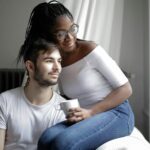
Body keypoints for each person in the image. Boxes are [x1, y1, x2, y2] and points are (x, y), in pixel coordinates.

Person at [21, 1, 135, 149]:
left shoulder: (91, 50)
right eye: (60, 33)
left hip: (117, 112)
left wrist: (91, 112)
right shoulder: (56, 59)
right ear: (47, 36)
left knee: (62, 143)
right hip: (85, 115)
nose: (70, 37)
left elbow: (126, 89)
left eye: (72, 29)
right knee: (45, 139)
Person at [0, 38, 67, 150]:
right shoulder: (4, 101)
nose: (57, 68)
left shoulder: (64, 108)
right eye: (49, 61)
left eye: (59, 61)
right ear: (30, 66)